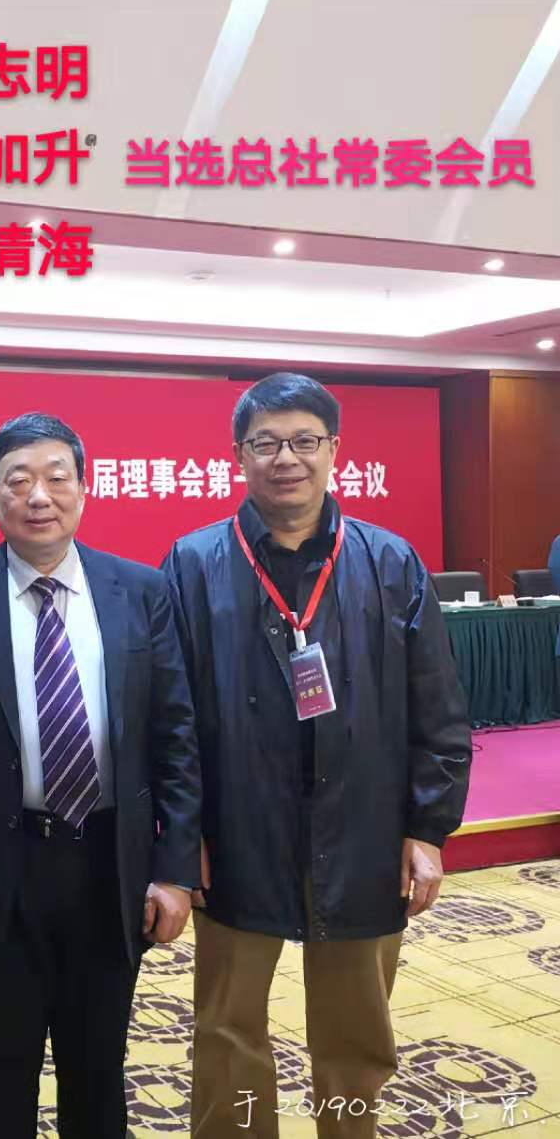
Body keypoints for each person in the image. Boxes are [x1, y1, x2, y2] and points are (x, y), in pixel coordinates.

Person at [162, 372, 472, 1139]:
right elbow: (169, 717)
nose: (286, 458)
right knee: (227, 1029)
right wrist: (181, 835)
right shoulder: (193, 562)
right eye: (265, 442)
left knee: (355, 1033)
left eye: (304, 440)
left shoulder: (390, 561)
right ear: (238, 454)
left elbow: (438, 706)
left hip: (365, 830)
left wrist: (427, 827)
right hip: (236, 833)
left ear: (335, 449)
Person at [0, 412, 203, 1138]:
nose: (38, 496)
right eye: (18, 481)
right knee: (1, 1068)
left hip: (109, 863)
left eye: (56, 478)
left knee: (99, 1066)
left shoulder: (140, 590)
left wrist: (174, 871)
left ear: (84, 488)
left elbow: (176, 737)